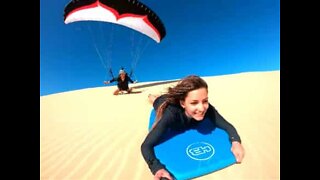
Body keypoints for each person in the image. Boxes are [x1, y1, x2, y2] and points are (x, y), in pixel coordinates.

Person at [141, 75, 245, 180]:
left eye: (205, 101)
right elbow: (146, 146)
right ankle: (151, 96)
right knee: (155, 99)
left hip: (177, 99)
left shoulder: (208, 109)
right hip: (162, 102)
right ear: (183, 103)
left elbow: (228, 126)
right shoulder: (171, 115)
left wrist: (235, 141)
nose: (201, 108)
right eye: (194, 103)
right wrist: (157, 168)